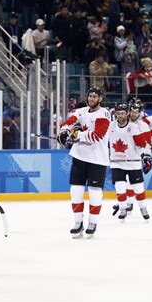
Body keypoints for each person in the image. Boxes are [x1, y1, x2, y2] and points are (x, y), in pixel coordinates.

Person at [57, 87, 111, 238]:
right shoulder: (81, 112)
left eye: (95, 96)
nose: (91, 99)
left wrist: (77, 135)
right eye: (90, 96)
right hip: (79, 157)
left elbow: (98, 136)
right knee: (75, 192)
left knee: (95, 194)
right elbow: (69, 123)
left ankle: (92, 222)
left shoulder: (105, 114)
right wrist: (64, 132)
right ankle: (77, 222)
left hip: (97, 160)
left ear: (100, 98)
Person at [109, 103, 152, 221]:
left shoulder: (134, 127)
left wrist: (145, 155)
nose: (120, 116)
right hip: (116, 162)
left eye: (122, 113)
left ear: (126, 113)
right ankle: (123, 208)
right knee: (120, 186)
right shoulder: (110, 126)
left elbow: (141, 144)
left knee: (138, 188)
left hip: (133, 162)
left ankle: (143, 208)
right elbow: (100, 139)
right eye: (118, 113)